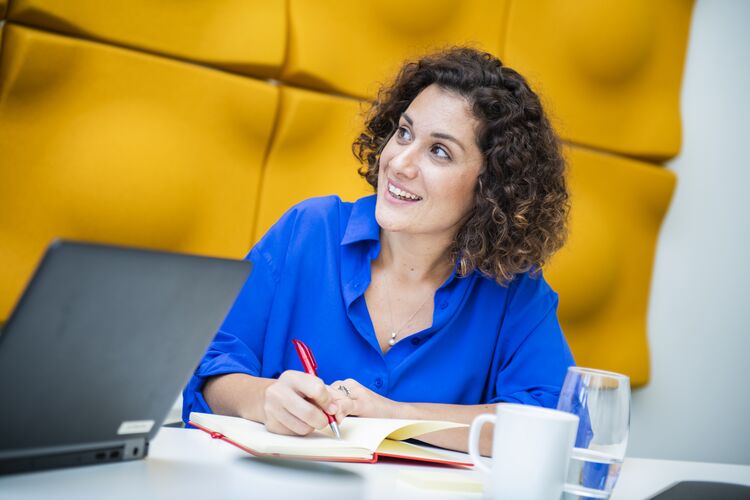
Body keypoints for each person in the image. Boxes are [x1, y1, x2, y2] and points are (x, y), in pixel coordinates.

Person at [182, 47, 574, 456]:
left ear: (492, 187)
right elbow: (210, 364)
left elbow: (555, 422)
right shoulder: (308, 229)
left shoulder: (513, 288)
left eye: (439, 151)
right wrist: (263, 400)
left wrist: (394, 415)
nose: (399, 162)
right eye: (404, 133)